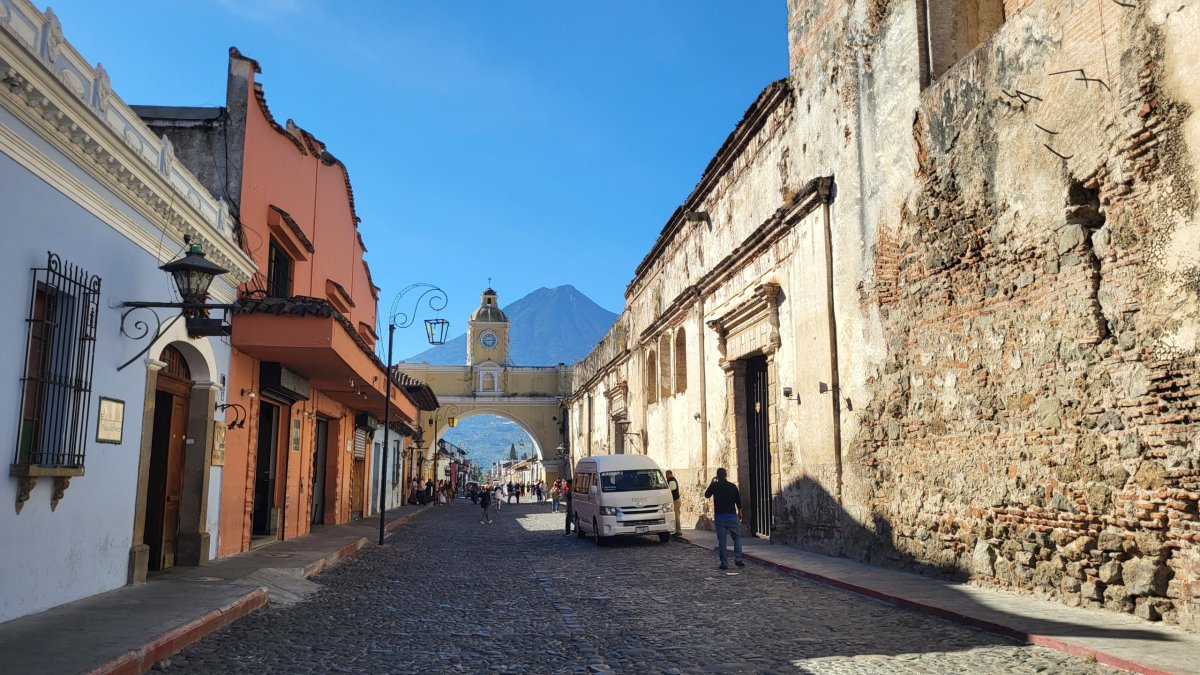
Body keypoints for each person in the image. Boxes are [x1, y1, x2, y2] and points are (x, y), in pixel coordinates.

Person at [703, 468, 744, 570]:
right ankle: (738, 559)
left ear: (717, 476)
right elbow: (738, 501)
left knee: (722, 541)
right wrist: (740, 512)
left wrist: (712, 483)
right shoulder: (732, 486)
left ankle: (724, 563)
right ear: (726, 475)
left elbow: (707, 495)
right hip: (731, 516)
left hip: (720, 517)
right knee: (737, 538)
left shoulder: (715, 486)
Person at [665, 470, 682, 537]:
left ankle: (678, 530)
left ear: (670, 474)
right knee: (675, 515)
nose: (666, 476)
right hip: (675, 500)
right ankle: (676, 530)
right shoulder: (671, 480)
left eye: (667, 474)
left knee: (676, 515)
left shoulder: (671, 480)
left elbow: (670, 490)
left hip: (675, 500)